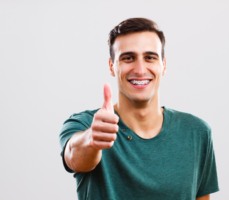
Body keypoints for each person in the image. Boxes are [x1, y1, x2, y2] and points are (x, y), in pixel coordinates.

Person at [59, 18, 219, 200]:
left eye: (150, 57)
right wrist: (91, 139)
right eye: (128, 58)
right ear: (112, 66)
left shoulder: (197, 132)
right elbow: (73, 156)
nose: (141, 70)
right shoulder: (87, 125)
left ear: (163, 65)